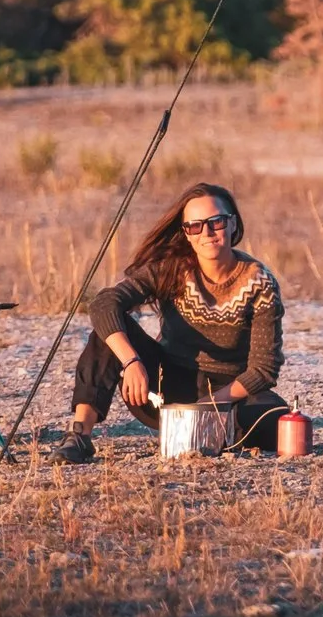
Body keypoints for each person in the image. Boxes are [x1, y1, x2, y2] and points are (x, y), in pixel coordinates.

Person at [57, 182, 287, 463]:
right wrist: (131, 362)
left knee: (277, 419)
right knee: (108, 331)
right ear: (186, 233)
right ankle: (79, 435)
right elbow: (105, 304)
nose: (206, 233)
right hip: (164, 387)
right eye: (195, 226)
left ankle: (206, 433)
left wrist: (206, 407)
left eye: (216, 222)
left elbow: (264, 369)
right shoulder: (171, 268)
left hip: (228, 393)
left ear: (233, 224)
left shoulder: (259, 281)